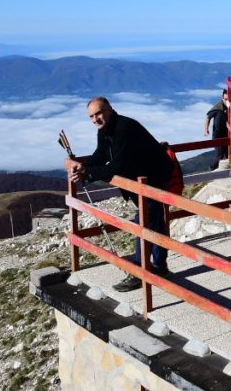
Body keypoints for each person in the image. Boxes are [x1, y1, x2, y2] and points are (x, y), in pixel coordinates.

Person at [64, 96, 175, 292]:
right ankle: (160, 267)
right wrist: (83, 166)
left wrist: (87, 174)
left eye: (98, 113)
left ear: (109, 109)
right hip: (145, 178)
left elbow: (118, 165)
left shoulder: (124, 128)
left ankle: (141, 272)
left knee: (144, 223)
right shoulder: (106, 129)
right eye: (91, 116)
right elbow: (101, 155)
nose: (95, 119)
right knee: (153, 222)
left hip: (153, 178)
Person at [204, 90, 230, 170]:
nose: (226, 101)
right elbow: (208, 118)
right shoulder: (217, 107)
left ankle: (228, 170)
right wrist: (206, 129)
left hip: (226, 135)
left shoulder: (229, 108)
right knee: (220, 155)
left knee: (228, 153)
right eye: (225, 99)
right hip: (217, 135)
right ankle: (212, 169)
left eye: (228, 99)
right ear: (222, 98)